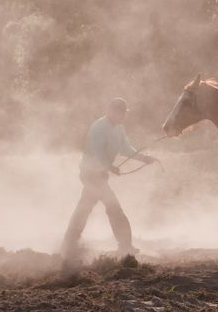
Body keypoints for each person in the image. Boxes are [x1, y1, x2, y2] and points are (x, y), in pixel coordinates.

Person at [62, 97, 157, 261]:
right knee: (113, 207)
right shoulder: (98, 127)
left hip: (100, 175)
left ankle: (69, 244)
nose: (122, 117)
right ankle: (125, 246)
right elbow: (97, 151)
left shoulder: (119, 128)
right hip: (91, 174)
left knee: (85, 207)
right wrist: (109, 166)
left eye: (124, 114)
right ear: (111, 111)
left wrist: (143, 158)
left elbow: (126, 149)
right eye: (120, 113)